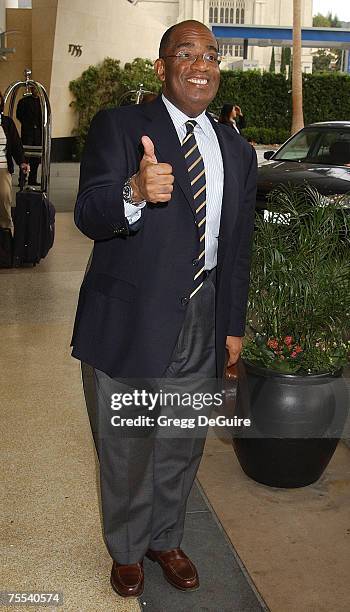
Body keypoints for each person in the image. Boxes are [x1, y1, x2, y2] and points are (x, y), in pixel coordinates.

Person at [71, 20, 257, 598]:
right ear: (161, 67)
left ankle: (164, 538)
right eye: (186, 53)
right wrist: (132, 191)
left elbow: (237, 246)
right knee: (126, 442)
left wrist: (231, 326)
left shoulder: (235, 147)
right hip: (130, 318)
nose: (200, 64)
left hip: (204, 315)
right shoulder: (122, 126)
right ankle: (126, 550)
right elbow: (89, 212)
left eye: (210, 54)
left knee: (182, 438)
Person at [0, 91, 30, 235]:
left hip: (3, 167)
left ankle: (5, 229)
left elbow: (16, 145)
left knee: (4, 195)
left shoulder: (7, 123)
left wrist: (22, 162)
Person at [16, 86, 42, 186]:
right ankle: (22, 179)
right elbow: (19, 115)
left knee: (36, 158)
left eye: (37, 89)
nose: (35, 91)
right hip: (27, 133)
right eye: (34, 89)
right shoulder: (24, 101)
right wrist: (27, 124)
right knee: (25, 157)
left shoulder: (41, 102)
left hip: (37, 134)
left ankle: (32, 179)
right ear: (31, 89)